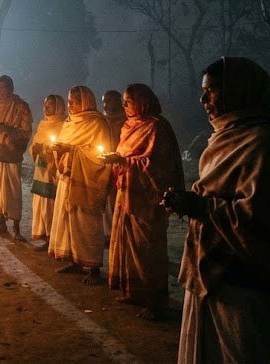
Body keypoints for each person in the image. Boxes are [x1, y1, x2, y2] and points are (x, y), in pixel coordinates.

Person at [165, 57, 270, 363]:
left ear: (240, 90)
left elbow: (264, 221)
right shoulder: (224, 138)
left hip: (248, 285)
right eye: (203, 91)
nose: (203, 99)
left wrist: (201, 206)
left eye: (212, 90)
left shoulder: (268, 144)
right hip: (210, 277)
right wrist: (189, 202)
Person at [104, 84, 183, 320]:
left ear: (143, 102)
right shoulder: (129, 126)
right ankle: (135, 292)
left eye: (129, 101)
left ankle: (156, 301)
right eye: (124, 101)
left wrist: (125, 161)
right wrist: (118, 161)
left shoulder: (157, 127)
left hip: (147, 199)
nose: (124, 105)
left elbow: (160, 165)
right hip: (127, 192)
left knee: (148, 249)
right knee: (129, 245)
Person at [49, 85, 112, 284]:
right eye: (68, 102)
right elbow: (63, 145)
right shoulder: (69, 123)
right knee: (68, 220)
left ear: (85, 102)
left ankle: (93, 267)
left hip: (85, 181)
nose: (70, 106)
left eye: (74, 102)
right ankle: (75, 260)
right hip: (67, 179)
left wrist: (72, 149)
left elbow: (100, 154)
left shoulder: (97, 123)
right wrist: (57, 149)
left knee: (86, 223)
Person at [0, 75, 33, 240]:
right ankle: (1, 224)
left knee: (13, 192)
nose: (1, 91)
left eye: (5, 87)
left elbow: (25, 132)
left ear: (11, 88)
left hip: (12, 154)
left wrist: (6, 131)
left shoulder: (20, 107)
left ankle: (16, 229)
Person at [28, 94, 67, 251]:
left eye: (50, 105)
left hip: (52, 171)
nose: (46, 108)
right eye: (45, 105)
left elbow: (61, 147)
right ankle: (44, 235)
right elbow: (35, 144)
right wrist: (35, 149)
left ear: (58, 107)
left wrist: (45, 149)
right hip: (41, 170)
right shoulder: (43, 124)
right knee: (41, 203)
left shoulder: (64, 125)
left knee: (50, 204)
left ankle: (53, 237)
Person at [101, 90, 126, 243]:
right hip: (104, 164)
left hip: (121, 165)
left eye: (110, 101)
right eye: (104, 101)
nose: (106, 104)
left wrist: (117, 156)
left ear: (118, 102)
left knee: (117, 198)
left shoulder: (126, 121)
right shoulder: (102, 120)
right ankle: (107, 232)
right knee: (105, 198)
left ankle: (117, 232)